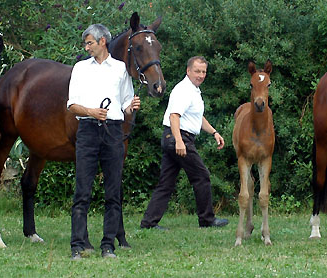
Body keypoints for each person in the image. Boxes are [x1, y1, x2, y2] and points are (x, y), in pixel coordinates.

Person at [67, 23, 140, 260]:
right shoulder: (80, 68)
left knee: (113, 191)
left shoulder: (120, 69)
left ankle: (108, 245)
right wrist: (91, 111)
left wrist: (131, 106)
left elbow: (125, 104)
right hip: (88, 130)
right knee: (82, 190)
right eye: (85, 43)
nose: (86, 47)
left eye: (89, 42)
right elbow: (71, 105)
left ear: (102, 42)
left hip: (113, 131)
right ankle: (77, 245)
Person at [140, 56, 229, 230]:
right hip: (178, 137)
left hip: (173, 138)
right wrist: (179, 142)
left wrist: (214, 132)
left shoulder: (194, 90)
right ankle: (207, 220)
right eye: (197, 71)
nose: (201, 75)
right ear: (188, 71)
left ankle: (149, 223)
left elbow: (197, 116)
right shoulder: (184, 90)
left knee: (166, 183)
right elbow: (174, 116)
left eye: (203, 71)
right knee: (201, 176)